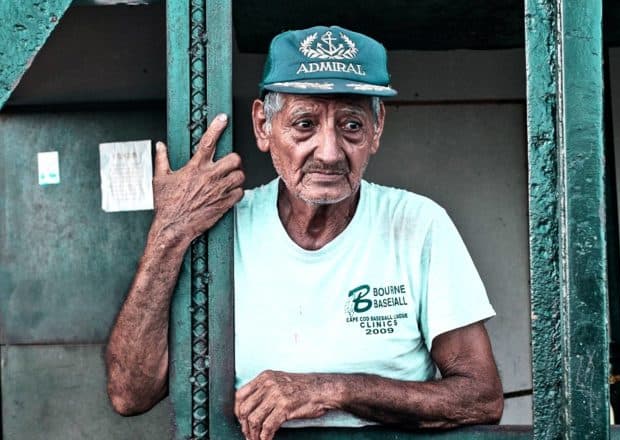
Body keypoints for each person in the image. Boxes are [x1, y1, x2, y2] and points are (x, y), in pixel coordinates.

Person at [105, 25, 503, 440]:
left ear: (377, 128)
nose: (329, 153)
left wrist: (333, 389)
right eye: (304, 124)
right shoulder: (224, 230)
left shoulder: (418, 224)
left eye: (351, 125)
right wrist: (168, 233)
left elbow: (481, 397)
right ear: (264, 126)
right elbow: (130, 395)